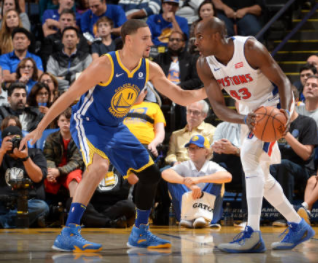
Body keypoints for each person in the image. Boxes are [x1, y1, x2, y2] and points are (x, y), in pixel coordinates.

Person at [21, 19, 206, 252]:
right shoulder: (105, 65)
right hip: (88, 123)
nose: (151, 42)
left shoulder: (149, 68)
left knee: (150, 175)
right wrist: (40, 127)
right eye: (145, 38)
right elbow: (69, 96)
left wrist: (208, 90)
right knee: (99, 166)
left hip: (116, 126)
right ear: (129, 40)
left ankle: (140, 233)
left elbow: (179, 96)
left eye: (150, 37)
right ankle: (68, 232)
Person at [195, 17, 315, 252]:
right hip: (249, 111)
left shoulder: (249, 48)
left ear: (217, 36)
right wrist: (244, 118)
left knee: (248, 158)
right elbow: (218, 107)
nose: (195, 41)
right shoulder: (204, 64)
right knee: (261, 175)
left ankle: (252, 233)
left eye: (200, 36)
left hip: (273, 105)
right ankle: (297, 224)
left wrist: (283, 113)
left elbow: (282, 81)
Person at [162, 134, 232, 228]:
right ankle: (189, 217)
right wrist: (187, 183)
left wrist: (198, 179)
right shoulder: (185, 165)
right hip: (186, 214)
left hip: (210, 214)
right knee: (173, 180)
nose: (192, 151)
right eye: (190, 148)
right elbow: (165, 173)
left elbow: (228, 176)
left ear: (206, 151)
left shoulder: (211, 165)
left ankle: (202, 216)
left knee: (216, 179)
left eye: (197, 148)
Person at [270, 102, 318, 227]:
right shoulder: (271, 124)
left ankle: (285, 215)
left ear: (293, 102)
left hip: (302, 169)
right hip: (276, 165)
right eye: (278, 105)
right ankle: (249, 217)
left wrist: (286, 134)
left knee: (284, 165)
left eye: (283, 104)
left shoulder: (308, 122)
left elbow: (306, 154)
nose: (280, 108)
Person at [0, 126, 49, 228]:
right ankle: (17, 221)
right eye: (8, 140)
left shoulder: (35, 153)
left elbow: (38, 178)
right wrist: (2, 151)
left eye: (16, 140)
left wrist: (25, 158)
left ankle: (4, 222)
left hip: (28, 202)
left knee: (42, 207)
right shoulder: (1, 154)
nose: (13, 143)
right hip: (3, 202)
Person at [43, 108, 83, 199]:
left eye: (69, 121)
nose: (65, 123)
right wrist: (51, 172)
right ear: (58, 123)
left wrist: (59, 172)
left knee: (74, 177)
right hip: (55, 169)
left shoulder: (79, 138)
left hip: (71, 170)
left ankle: (73, 206)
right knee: (43, 176)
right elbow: (48, 158)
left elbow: (76, 162)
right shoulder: (51, 138)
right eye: (62, 120)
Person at [165, 100, 215, 165]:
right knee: (162, 172)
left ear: (204, 116)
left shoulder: (212, 131)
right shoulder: (176, 134)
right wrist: (175, 162)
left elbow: (211, 155)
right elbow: (170, 154)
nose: (191, 115)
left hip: (200, 167)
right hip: (178, 166)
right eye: (189, 111)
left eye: (196, 112)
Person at [123, 85, 166, 159]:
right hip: (122, 144)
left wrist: (154, 144)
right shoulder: (120, 107)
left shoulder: (154, 107)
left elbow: (160, 131)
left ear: (145, 92)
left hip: (145, 146)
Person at [46, 27, 93, 91]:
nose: (69, 39)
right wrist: (73, 79)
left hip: (79, 91)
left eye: (72, 36)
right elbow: (50, 78)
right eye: (66, 36)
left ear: (78, 40)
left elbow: (88, 76)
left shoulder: (86, 57)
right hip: (58, 92)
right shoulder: (54, 58)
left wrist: (63, 78)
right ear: (62, 40)